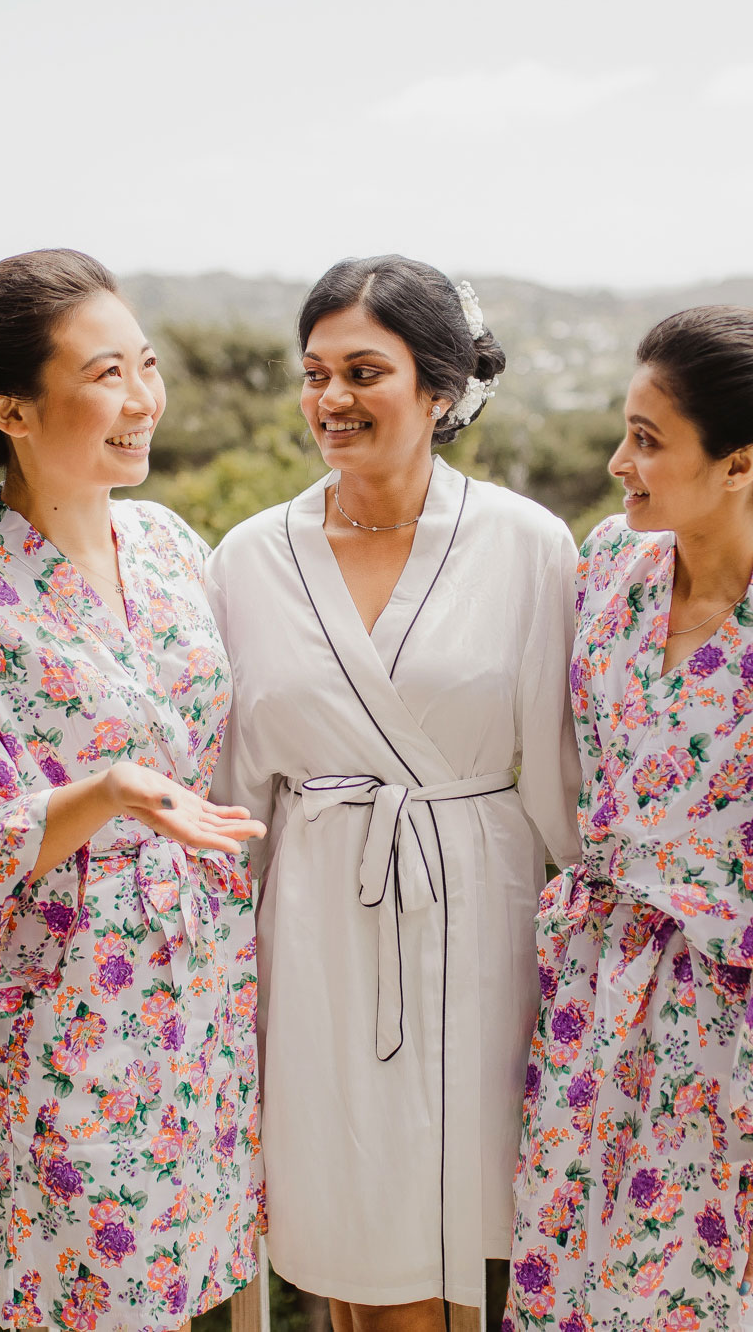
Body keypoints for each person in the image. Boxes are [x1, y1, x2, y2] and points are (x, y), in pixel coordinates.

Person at [0, 249, 266, 1332]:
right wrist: (108, 790)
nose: (142, 400)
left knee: (191, 1289)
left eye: (144, 365)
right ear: (9, 407)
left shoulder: (166, 546)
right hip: (63, 1027)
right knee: (89, 1302)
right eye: (106, 375)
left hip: (195, 1004)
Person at [206, 256, 582, 1329]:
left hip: (474, 907)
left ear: (441, 387)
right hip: (318, 920)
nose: (330, 399)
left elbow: (558, 771)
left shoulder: (526, 545)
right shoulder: (246, 559)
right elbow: (234, 797)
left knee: (448, 1236)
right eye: (313, 372)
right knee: (342, 1236)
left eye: (363, 371)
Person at [505, 307, 753, 1332]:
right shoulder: (608, 574)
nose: (616, 461)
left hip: (724, 1060)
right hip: (592, 1011)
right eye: (624, 430)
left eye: (645, 439)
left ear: (737, 465)